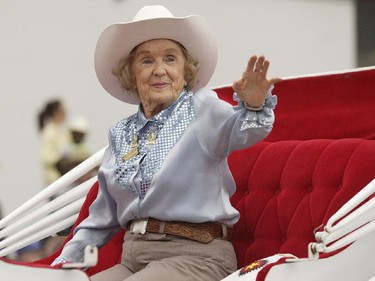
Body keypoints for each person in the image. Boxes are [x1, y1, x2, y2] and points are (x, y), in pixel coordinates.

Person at [51, 5, 281, 281]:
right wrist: (60, 266)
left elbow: (244, 131)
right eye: (147, 61)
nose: (159, 70)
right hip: (133, 259)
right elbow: (100, 220)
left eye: (170, 59)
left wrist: (254, 106)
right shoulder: (121, 134)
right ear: (131, 74)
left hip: (196, 256)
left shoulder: (202, 110)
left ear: (186, 71)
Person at [38, 99, 70, 186]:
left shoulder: (60, 131)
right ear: (56, 113)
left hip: (63, 178)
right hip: (55, 179)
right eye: (63, 111)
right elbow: (47, 157)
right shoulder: (50, 132)